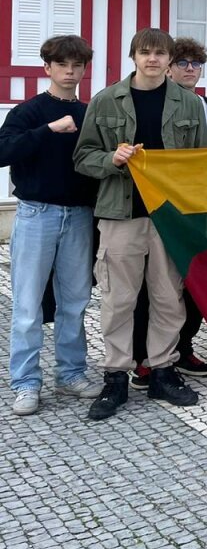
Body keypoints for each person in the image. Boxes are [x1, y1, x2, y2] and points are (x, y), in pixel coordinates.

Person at [73, 29, 204, 421]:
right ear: (133, 56)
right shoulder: (106, 100)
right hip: (120, 213)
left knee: (168, 296)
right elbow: (83, 156)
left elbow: (198, 162)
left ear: (169, 60)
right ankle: (115, 376)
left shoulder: (188, 103)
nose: (152, 59)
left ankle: (162, 369)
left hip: (169, 216)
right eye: (145, 52)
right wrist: (111, 159)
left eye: (160, 53)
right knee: (118, 299)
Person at [1, 35, 100, 416]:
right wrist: (48, 130)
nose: (70, 71)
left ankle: (71, 374)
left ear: (84, 69)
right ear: (47, 67)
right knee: (27, 305)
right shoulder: (28, 112)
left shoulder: (91, 113)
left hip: (79, 216)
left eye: (77, 65)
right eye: (62, 64)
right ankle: (26, 383)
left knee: (74, 302)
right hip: (36, 214)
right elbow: (3, 151)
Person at [127, 39, 207, 387]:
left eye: (196, 63)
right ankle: (142, 358)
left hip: (193, 211)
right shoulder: (145, 102)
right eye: (183, 62)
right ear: (168, 67)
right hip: (146, 209)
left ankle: (182, 347)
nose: (190, 68)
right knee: (145, 289)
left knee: (190, 282)